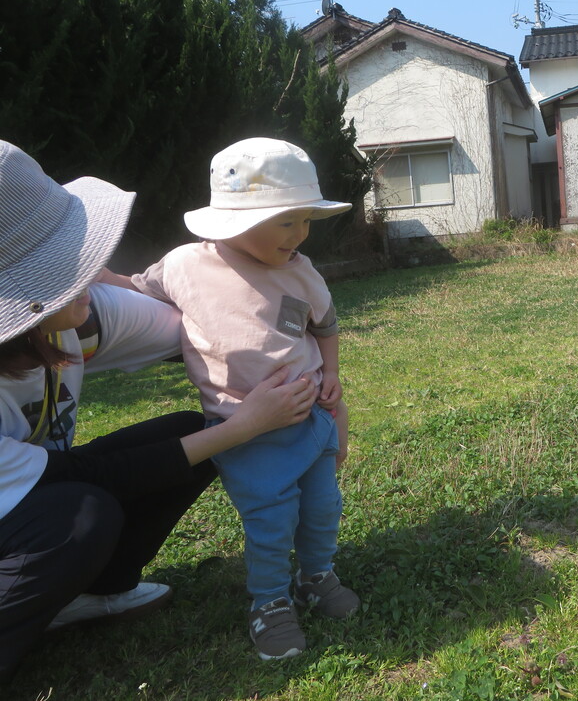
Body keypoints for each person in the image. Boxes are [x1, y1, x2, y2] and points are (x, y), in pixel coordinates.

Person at [0, 140, 319, 684]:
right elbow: (81, 476)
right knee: (79, 514)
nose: (93, 266)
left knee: (187, 436)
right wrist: (243, 427)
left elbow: (206, 327)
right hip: (39, 512)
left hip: (29, 506)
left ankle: (87, 594)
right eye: (64, 263)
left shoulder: (84, 316)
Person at [117, 137, 360, 661]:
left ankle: (316, 576)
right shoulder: (185, 265)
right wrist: (87, 275)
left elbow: (326, 324)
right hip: (245, 430)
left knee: (322, 509)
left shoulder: (301, 269)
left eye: (306, 220)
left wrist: (335, 377)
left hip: (312, 417)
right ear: (236, 219)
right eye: (287, 221)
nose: (300, 234)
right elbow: (135, 288)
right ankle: (269, 602)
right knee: (270, 523)